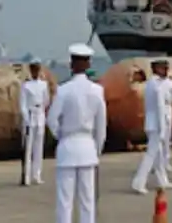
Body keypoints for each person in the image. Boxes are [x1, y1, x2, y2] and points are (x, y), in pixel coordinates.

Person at [47, 43, 107, 223]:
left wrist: (62, 136)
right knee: (87, 201)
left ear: (71, 65)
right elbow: (101, 126)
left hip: (67, 147)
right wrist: (97, 148)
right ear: (89, 64)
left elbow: (51, 120)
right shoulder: (97, 91)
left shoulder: (63, 90)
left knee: (65, 201)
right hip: (88, 147)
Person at [131, 59, 172, 194]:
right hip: (157, 124)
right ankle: (139, 181)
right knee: (151, 154)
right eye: (163, 68)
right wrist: (162, 128)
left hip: (152, 122)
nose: (166, 71)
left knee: (158, 154)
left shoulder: (151, 84)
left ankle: (162, 180)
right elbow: (160, 107)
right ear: (156, 69)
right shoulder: (157, 86)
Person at [20, 58, 51, 186]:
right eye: (33, 69)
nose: (35, 71)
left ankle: (36, 174)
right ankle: (26, 176)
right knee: (28, 148)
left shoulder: (44, 85)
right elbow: (22, 105)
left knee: (39, 148)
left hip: (40, 115)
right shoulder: (25, 85)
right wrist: (27, 118)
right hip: (30, 115)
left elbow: (46, 100)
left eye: (37, 69)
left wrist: (42, 112)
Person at [160, 61, 172, 173]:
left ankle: (166, 161)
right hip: (160, 112)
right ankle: (158, 163)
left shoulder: (170, 83)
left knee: (167, 139)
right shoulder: (155, 84)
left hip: (167, 112)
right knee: (158, 141)